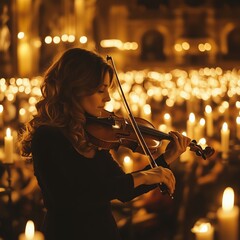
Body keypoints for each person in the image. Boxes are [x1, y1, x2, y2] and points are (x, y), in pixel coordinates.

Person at [18, 47, 191, 240]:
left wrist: (166, 158)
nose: (107, 98)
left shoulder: (90, 134)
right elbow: (74, 198)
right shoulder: (48, 136)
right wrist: (143, 176)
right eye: (101, 90)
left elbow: (123, 189)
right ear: (76, 88)